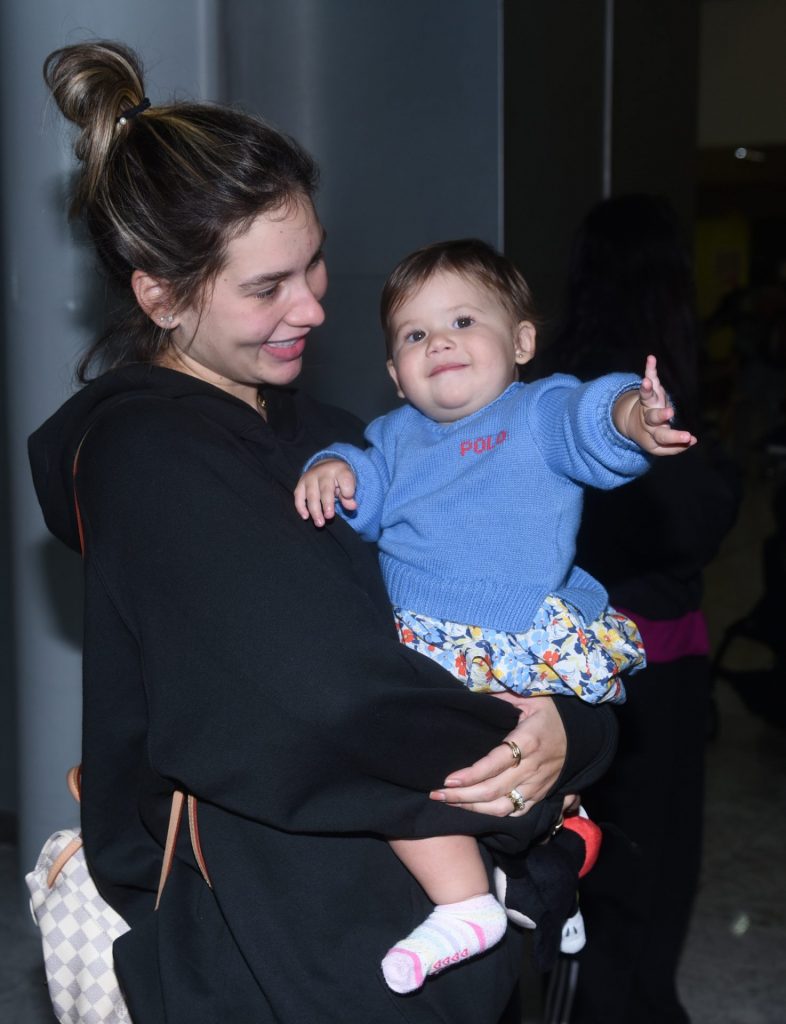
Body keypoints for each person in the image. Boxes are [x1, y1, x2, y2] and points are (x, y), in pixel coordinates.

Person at [28, 41, 621, 1024]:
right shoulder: (150, 459)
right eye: (268, 287)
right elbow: (330, 699)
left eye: (315, 262)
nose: (313, 305)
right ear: (159, 293)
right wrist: (529, 756)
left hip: (396, 931)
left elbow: (529, 586)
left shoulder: (337, 437)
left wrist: (572, 718)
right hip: (286, 953)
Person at [294, 239, 697, 995]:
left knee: (446, 769)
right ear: (394, 373)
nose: (437, 342)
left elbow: (589, 419)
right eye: (413, 335)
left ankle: (484, 898)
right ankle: (519, 887)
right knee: (444, 780)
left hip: (507, 631)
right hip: (422, 640)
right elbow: (363, 490)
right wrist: (333, 469)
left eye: (463, 321)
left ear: (521, 342)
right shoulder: (392, 437)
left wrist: (630, 415)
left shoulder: (534, 410)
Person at [541, 194, 741, 1024]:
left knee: (595, 862)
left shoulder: (560, 378)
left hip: (575, 658)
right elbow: (690, 518)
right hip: (644, 662)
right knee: (643, 873)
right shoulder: (641, 389)